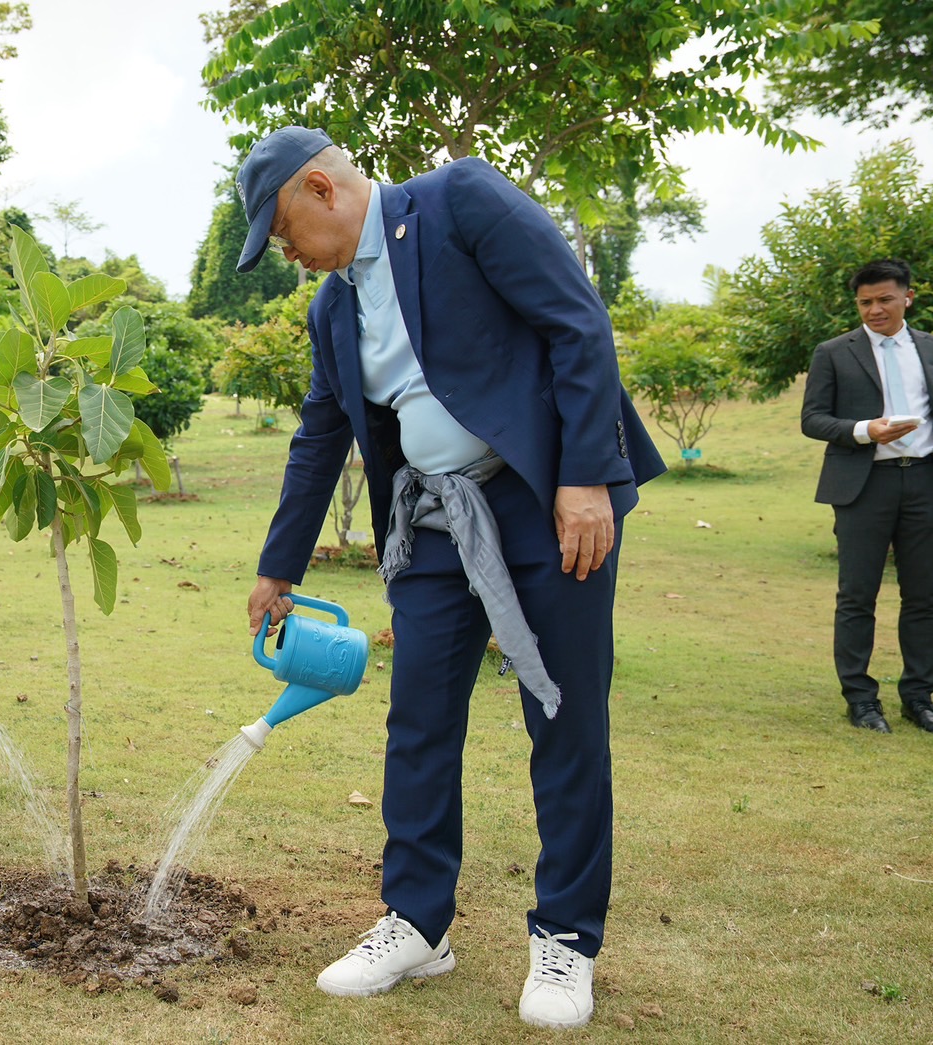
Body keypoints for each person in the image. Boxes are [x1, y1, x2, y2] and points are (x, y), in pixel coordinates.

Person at [234, 127, 664, 1029]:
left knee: (563, 717)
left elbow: (575, 321)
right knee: (419, 717)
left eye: (281, 233)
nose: (287, 255)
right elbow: (320, 436)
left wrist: (586, 476)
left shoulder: (458, 201)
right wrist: (277, 567)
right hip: (433, 518)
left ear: (320, 190)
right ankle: (417, 921)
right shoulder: (331, 309)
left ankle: (566, 936)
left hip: (544, 499)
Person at [800, 259, 933, 735]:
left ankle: (919, 697)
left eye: (885, 299)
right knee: (857, 596)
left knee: (924, 596)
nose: (875, 309)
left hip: (924, 483)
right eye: (865, 302)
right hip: (863, 486)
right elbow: (812, 419)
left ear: (907, 298)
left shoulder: (929, 348)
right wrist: (863, 430)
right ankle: (860, 699)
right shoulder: (834, 353)